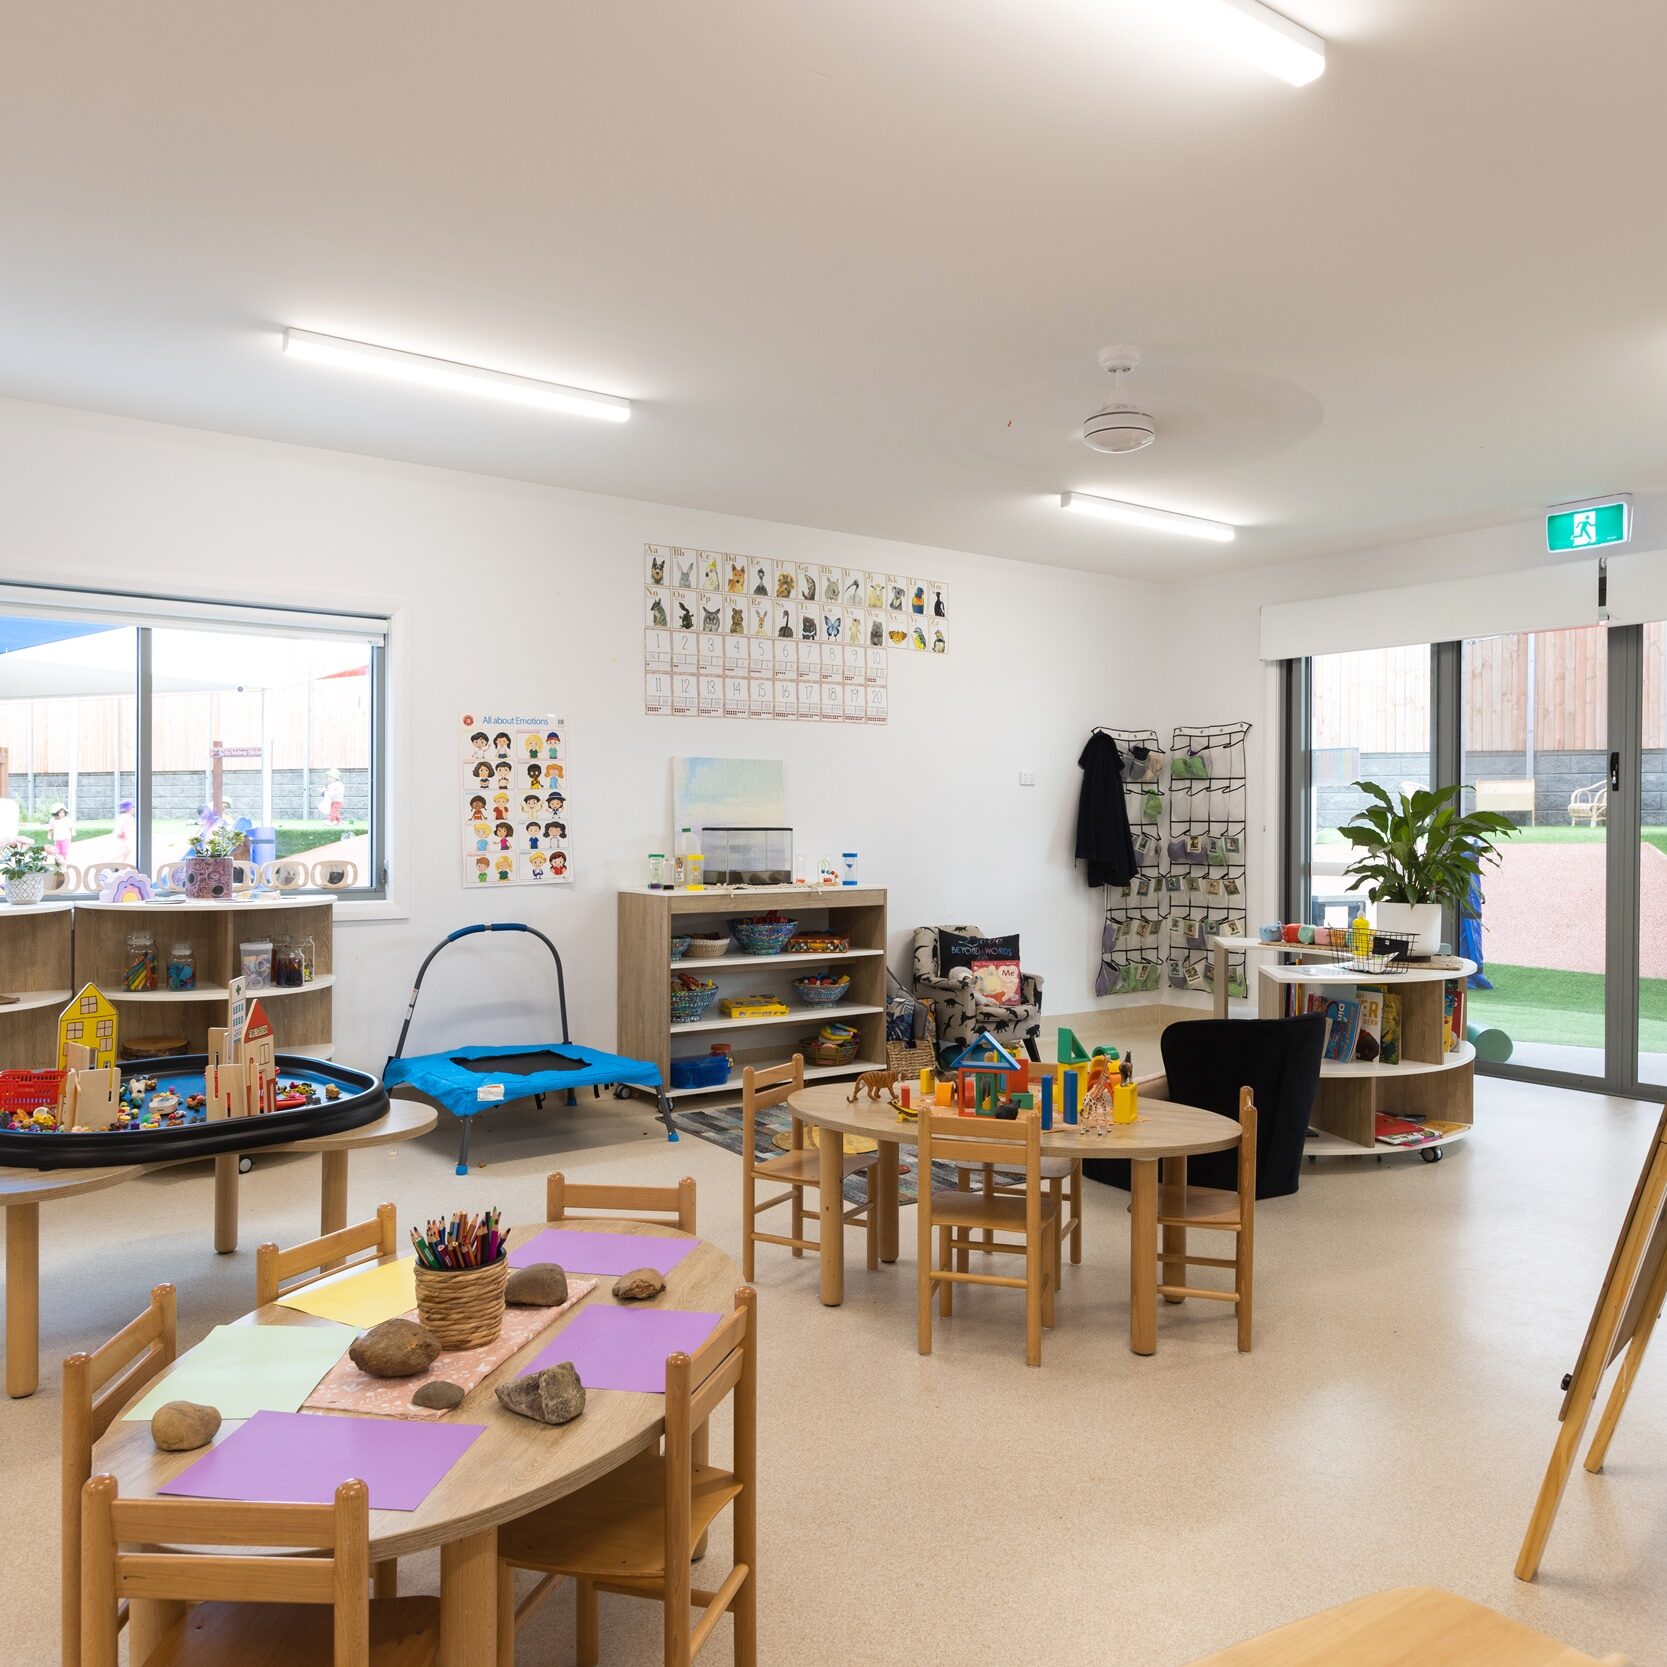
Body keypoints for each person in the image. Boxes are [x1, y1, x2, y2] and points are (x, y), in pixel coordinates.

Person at [113, 799, 136, 864]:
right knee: (122, 851)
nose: (134, 809)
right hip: (121, 837)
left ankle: (123, 863)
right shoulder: (124, 817)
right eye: (132, 807)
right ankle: (107, 861)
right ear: (128, 809)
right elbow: (120, 826)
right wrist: (120, 833)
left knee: (128, 850)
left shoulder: (129, 817)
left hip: (125, 837)